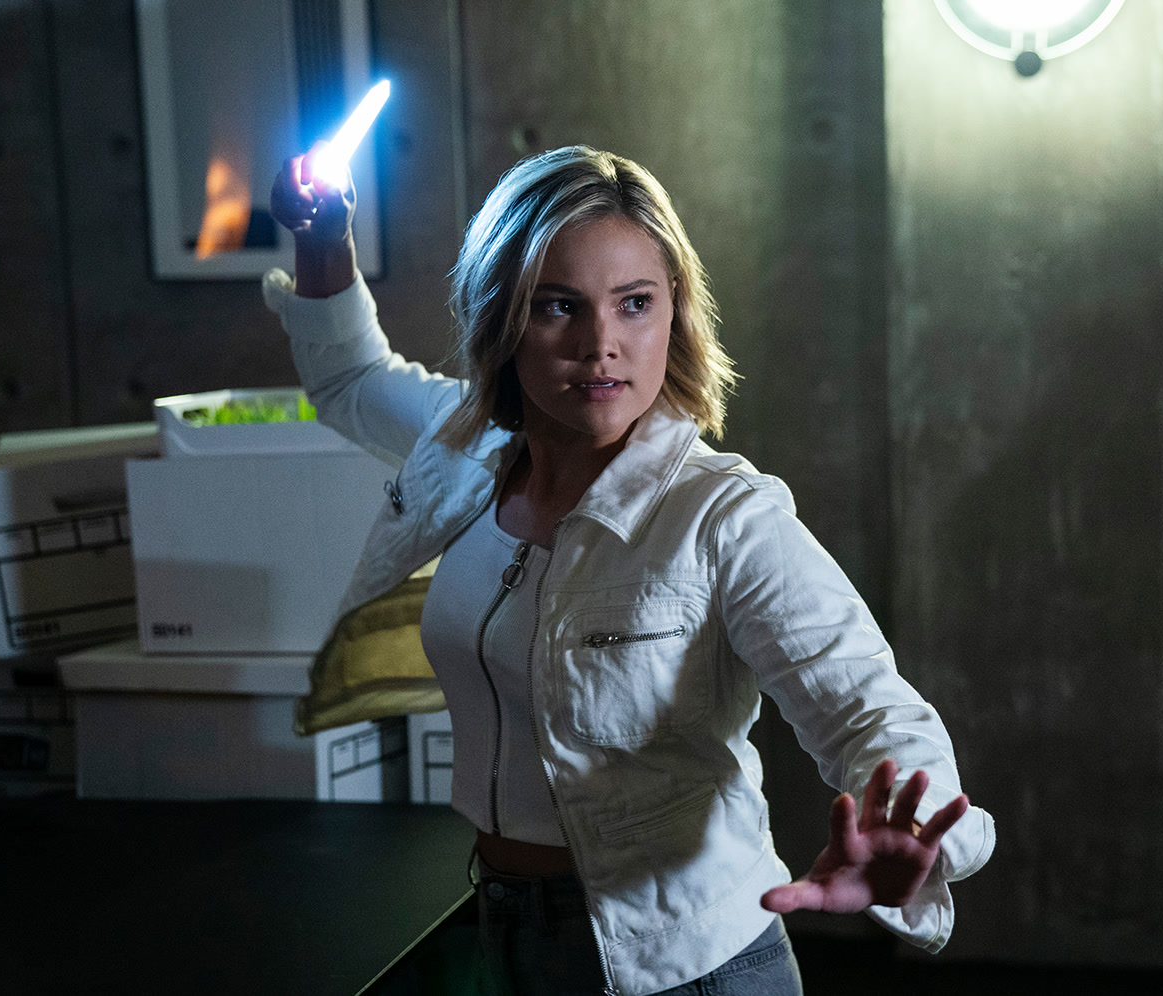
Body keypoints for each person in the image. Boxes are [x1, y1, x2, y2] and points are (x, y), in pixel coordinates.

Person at [265, 143, 995, 996]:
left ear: (673, 312)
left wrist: (912, 832)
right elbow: (351, 378)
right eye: (558, 306)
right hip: (503, 933)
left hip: (689, 969)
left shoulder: (725, 516)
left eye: (635, 303)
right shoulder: (462, 449)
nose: (601, 345)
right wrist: (323, 237)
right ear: (502, 317)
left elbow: (869, 708)